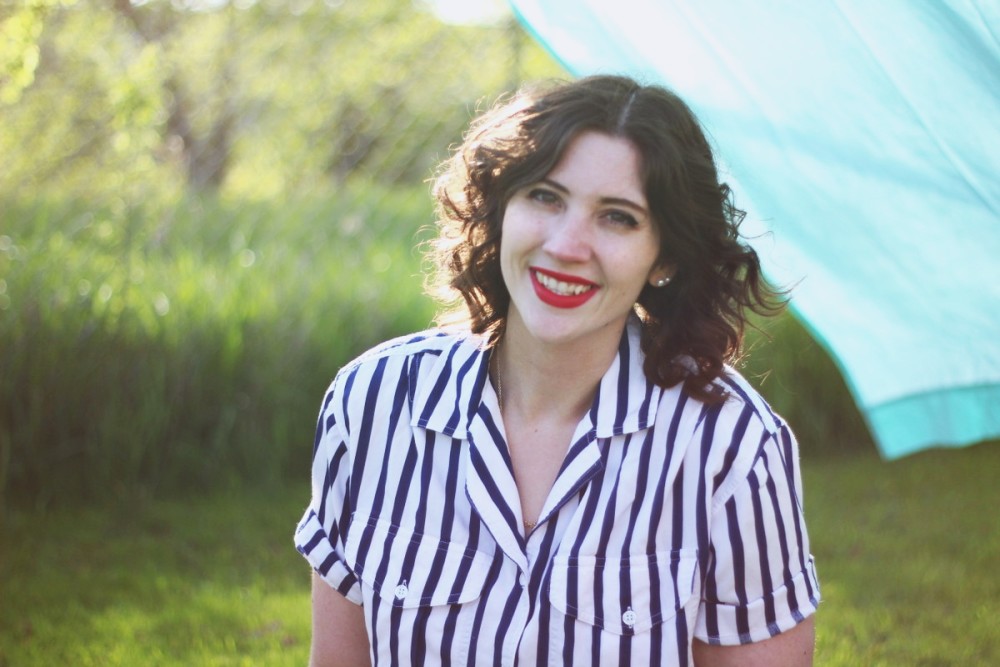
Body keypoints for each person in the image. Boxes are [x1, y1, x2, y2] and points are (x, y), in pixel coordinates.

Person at [294, 74, 820, 666]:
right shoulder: (372, 403)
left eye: (617, 217)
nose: (567, 245)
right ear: (501, 209)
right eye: (545, 196)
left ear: (665, 256)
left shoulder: (733, 444)